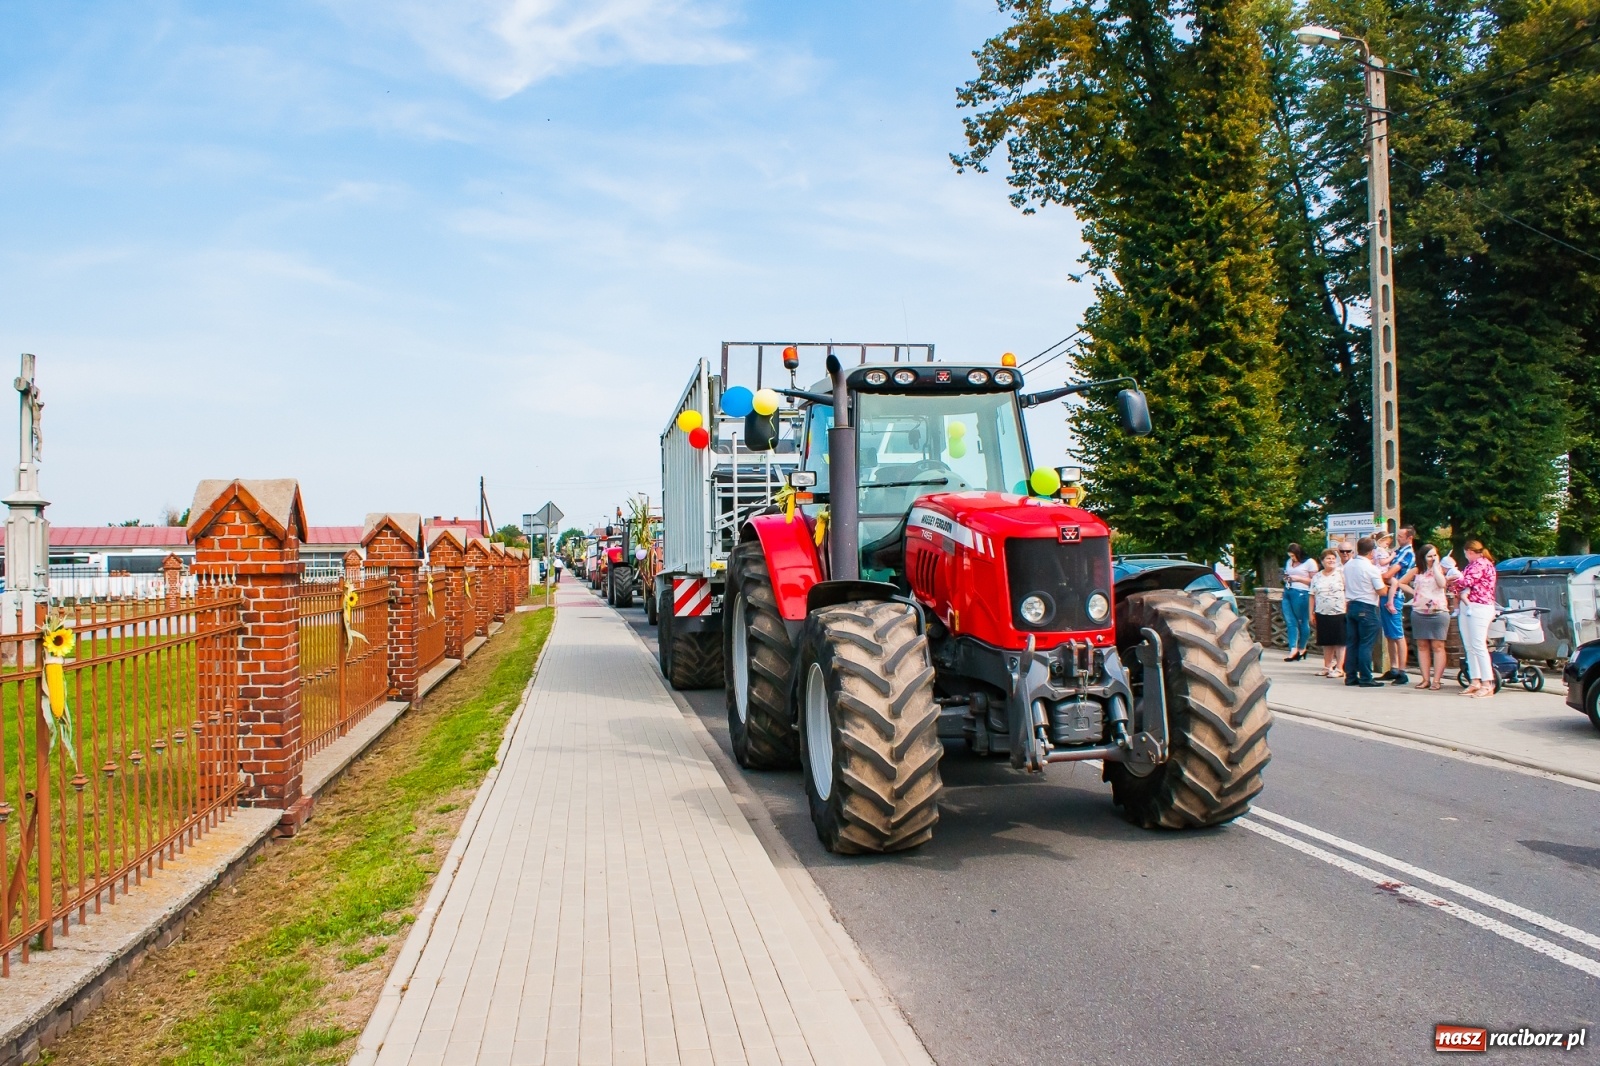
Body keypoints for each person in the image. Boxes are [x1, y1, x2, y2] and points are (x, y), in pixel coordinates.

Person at [1394, 543, 1449, 690]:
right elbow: (1401, 583)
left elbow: (1442, 583)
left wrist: (1436, 567)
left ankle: (1437, 680)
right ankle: (1425, 679)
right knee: (1422, 645)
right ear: (1423, 557)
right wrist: (1415, 593)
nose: (1432, 558)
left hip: (1438, 612)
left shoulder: (1440, 570)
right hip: (1419, 611)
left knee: (1438, 646)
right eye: (1429, 556)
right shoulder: (1416, 570)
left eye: (1434, 555)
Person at [1449, 539, 1499, 698]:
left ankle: (1487, 683)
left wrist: (1451, 579)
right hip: (1469, 606)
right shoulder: (1472, 565)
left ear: (1470, 552)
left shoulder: (1481, 564)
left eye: (1466, 553)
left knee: (1478, 644)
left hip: (1479, 606)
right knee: (1469, 645)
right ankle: (1475, 680)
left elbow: (1466, 581)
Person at [1342, 536, 1387, 687]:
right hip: (1367, 606)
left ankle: (1350, 676)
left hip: (1351, 605)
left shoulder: (1348, 565)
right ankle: (1366, 677)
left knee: (1352, 643)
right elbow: (1381, 591)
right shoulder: (1371, 569)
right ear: (1372, 552)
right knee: (1366, 644)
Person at [1379, 526, 1416, 685]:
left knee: (1398, 633)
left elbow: (1389, 574)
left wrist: (1374, 576)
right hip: (1386, 591)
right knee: (1389, 633)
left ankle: (1402, 670)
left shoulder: (1407, 553)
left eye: (1401, 536)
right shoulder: (1398, 551)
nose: (1398, 538)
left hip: (1395, 595)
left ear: (1409, 538)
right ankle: (1393, 667)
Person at [1311, 549, 1347, 678]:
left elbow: (1348, 591)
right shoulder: (1317, 576)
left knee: (1339, 641)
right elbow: (1312, 595)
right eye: (1328, 558)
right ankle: (1327, 666)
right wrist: (1311, 613)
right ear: (1322, 561)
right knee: (1326, 641)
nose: (1331, 561)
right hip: (1322, 611)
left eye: (1333, 558)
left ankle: (1339, 667)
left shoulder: (1341, 574)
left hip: (1339, 611)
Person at [1282, 543, 1317, 662]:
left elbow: (1315, 581)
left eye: (1293, 556)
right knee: (1290, 621)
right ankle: (1293, 649)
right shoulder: (1288, 562)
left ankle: (1302, 647)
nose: (1292, 558)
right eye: (1290, 556)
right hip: (1288, 591)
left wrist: (1298, 579)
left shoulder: (1309, 562)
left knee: (1302, 621)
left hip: (1302, 592)